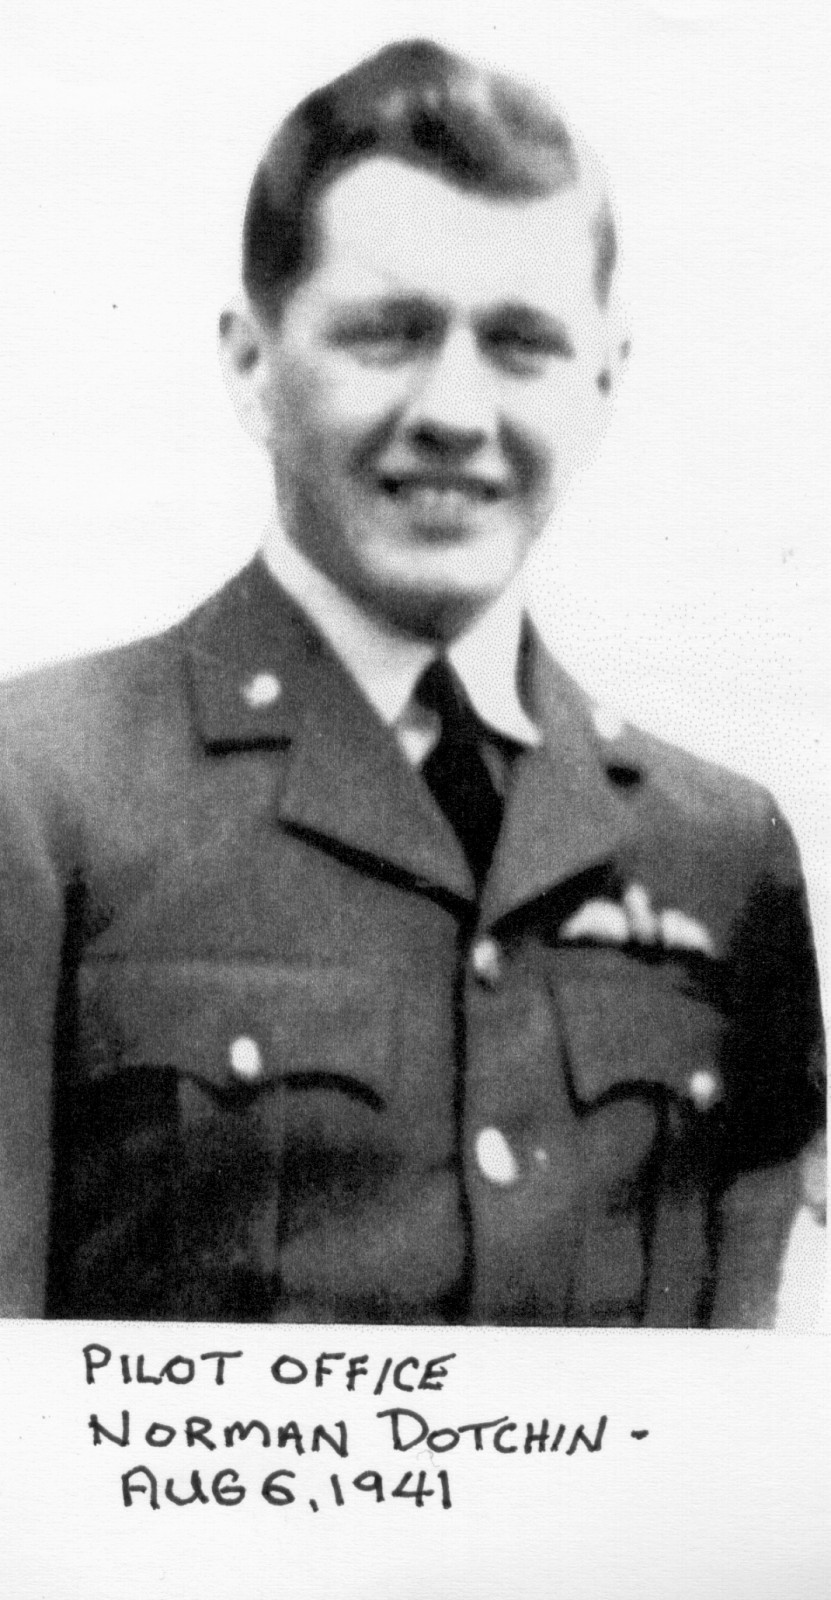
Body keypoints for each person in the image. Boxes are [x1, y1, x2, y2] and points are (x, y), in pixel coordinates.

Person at [0, 39, 823, 1325]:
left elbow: (753, 1400)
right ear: (251, 363)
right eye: (387, 335)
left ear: (606, 378)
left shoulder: (721, 855)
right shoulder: (42, 795)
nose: (454, 410)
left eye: (522, 343)